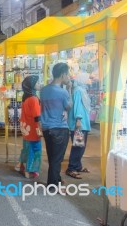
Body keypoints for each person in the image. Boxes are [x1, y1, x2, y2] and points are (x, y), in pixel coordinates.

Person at [40, 63, 72, 192]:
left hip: (47, 128)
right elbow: (69, 106)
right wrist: (69, 89)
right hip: (59, 127)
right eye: (68, 74)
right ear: (63, 74)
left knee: (52, 156)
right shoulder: (63, 92)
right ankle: (53, 185)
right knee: (57, 158)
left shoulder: (44, 90)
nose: (69, 76)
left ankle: (57, 179)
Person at [65, 73, 91, 179]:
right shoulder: (78, 91)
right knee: (78, 146)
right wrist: (78, 119)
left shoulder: (81, 90)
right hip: (79, 124)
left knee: (80, 145)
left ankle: (77, 166)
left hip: (82, 123)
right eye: (87, 78)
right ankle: (71, 168)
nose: (89, 80)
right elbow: (77, 106)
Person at [16, 75, 42, 179]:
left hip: (25, 128)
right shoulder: (34, 99)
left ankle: (20, 165)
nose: (39, 84)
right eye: (37, 83)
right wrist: (40, 130)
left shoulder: (25, 97)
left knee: (26, 148)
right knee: (35, 149)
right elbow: (37, 117)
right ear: (31, 85)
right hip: (33, 128)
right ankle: (29, 171)